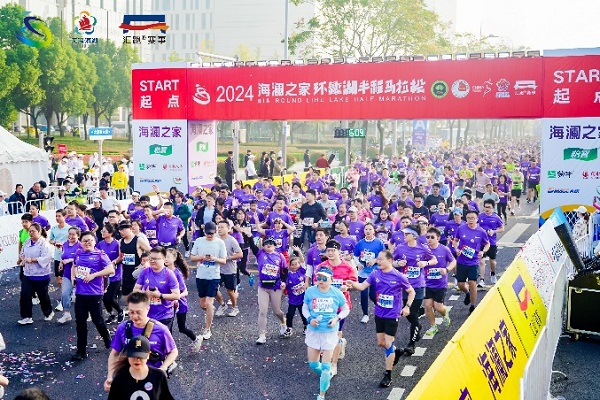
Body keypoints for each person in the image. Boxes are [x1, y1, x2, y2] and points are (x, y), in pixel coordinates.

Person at [346, 250, 415, 388]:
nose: (378, 261)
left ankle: (388, 374)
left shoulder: (399, 276)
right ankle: (397, 352)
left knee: (388, 343)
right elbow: (362, 286)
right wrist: (351, 284)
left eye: (381, 259)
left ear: (389, 261)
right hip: (379, 313)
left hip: (392, 315)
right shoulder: (375, 273)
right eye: (378, 259)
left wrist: (407, 307)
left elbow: (411, 291)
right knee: (380, 343)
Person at [105, 292, 178, 393]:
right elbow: (114, 353)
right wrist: (110, 376)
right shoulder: (123, 328)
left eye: (138, 312)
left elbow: (173, 352)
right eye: (131, 312)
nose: (134, 316)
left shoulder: (161, 329)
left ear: (148, 309)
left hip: (152, 379)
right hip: (129, 377)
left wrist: (163, 368)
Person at [302, 266, 349, 400]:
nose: (320, 280)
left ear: (331, 279)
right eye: (318, 278)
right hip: (314, 332)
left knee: (326, 365)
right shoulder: (310, 291)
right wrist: (309, 319)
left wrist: (337, 318)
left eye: (324, 278)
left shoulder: (336, 293)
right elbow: (305, 308)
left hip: (329, 332)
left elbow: (345, 309)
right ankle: (326, 376)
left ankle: (321, 393)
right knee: (313, 364)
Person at [392, 224, 437, 355]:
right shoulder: (400, 248)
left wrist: (425, 263)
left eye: (407, 234)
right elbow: (391, 262)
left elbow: (433, 260)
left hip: (418, 285)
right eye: (404, 234)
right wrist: (397, 264)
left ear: (414, 236)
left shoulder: (423, 248)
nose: (404, 236)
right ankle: (417, 325)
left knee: (412, 312)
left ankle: (411, 344)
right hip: (404, 285)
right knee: (408, 314)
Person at [70, 231, 115, 361]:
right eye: (85, 241)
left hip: (95, 294)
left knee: (97, 320)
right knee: (80, 322)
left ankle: (106, 337)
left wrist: (94, 275)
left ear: (94, 242)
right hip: (80, 293)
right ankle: (81, 350)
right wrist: (73, 277)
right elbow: (74, 266)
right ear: (81, 242)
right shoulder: (78, 253)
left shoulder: (100, 254)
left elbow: (111, 269)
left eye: (90, 240)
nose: (87, 243)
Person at [316, 239, 358, 377]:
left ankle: (333, 364)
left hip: (341, 306)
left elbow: (354, 282)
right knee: (326, 333)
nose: (331, 253)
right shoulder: (322, 266)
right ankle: (338, 346)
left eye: (333, 250)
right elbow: (316, 283)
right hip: (325, 306)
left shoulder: (347, 266)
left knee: (336, 333)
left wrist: (348, 286)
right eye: (328, 250)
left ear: (339, 252)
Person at [189, 221, 227, 341]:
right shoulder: (199, 241)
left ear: (215, 232)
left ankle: (207, 329)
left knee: (209, 303)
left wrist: (214, 258)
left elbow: (224, 260)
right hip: (201, 275)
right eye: (207, 233)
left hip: (214, 276)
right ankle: (209, 313)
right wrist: (202, 257)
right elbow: (192, 257)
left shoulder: (220, 243)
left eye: (211, 233)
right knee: (203, 304)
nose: (209, 235)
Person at [107, 335, 175, 400]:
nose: (137, 360)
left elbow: (165, 397)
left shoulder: (158, 376)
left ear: (148, 355)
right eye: (133, 356)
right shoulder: (119, 379)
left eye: (140, 356)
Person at [248, 236, 288, 344]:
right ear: (263, 245)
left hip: (276, 287)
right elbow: (252, 246)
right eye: (266, 243)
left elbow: (285, 270)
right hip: (263, 287)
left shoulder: (280, 256)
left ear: (275, 245)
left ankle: (283, 321)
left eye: (271, 243)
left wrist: (284, 282)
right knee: (262, 311)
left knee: (276, 311)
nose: (268, 244)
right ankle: (262, 335)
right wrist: (249, 236)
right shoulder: (260, 254)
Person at [165, 248, 203, 351]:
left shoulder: (177, 273)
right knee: (168, 328)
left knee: (182, 328)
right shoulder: (163, 271)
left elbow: (184, 291)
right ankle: (169, 350)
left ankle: (196, 339)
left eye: (168, 257)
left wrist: (176, 297)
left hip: (180, 304)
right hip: (168, 304)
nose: (166, 259)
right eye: (164, 257)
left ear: (174, 258)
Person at [453, 209, 490, 314]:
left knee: (472, 282)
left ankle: (473, 306)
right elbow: (455, 241)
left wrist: (483, 251)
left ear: (477, 219)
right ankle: (468, 293)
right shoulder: (461, 229)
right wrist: (456, 249)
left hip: (473, 262)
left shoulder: (481, 232)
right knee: (460, 284)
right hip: (461, 261)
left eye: (473, 218)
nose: (470, 220)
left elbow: (487, 244)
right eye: (468, 218)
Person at [134, 247, 180, 330]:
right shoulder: (145, 272)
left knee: (162, 341)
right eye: (151, 258)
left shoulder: (169, 274)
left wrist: (160, 295)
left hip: (164, 316)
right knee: (147, 340)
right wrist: (145, 294)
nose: (152, 261)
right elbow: (135, 290)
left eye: (155, 259)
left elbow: (176, 295)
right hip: (147, 315)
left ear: (163, 259)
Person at [18, 223, 54, 325]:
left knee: (42, 295)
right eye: (30, 231)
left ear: (39, 232)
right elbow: (22, 253)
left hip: (41, 274)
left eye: (33, 231)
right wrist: (23, 260)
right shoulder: (27, 242)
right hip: (28, 273)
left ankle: (48, 312)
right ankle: (26, 316)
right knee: (25, 295)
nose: (31, 233)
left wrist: (33, 260)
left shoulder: (43, 244)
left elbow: (47, 258)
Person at [423, 228, 455, 338]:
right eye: (428, 237)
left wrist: (446, 270)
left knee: (438, 306)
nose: (430, 239)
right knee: (427, 305)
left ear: (438, 238)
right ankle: (433, 326)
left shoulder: (444, 249)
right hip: (427, 283)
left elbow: (453, 261)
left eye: (432, 237)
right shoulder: (424, 250)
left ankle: (445, 312)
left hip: (440, 284)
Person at [353, 223, 385, 323]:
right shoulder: (360, 243)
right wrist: (358, 263)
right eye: (366, 229)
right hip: (363, 272)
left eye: (370, 229)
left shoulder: (379, 243)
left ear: (374, 231)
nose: (368, 231)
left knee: (372, 294)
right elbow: (355, 255)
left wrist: (375, 260)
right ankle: (365, 314)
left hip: (374, 272)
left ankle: (380, 308)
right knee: (363, 294)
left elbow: (383, 256)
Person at [213, 220, 243, 317]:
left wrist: (227, 258)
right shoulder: (215, 238)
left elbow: (240, 254)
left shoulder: (231, 240)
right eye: (219, 227)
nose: (220, 229)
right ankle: (222, 305)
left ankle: (235, 307)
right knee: (213, 288)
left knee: (230, 291)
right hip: (217, 269)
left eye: (222, 227)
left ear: (228, 229)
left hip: (229, 269)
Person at [97, 223, 124, 324]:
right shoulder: (100, 244)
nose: (102, 233)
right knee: (104, 297)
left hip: (115, 275)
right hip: (104, 275)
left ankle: (120, 312)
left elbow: (121, 256)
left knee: (110, 297)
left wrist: (113, 262)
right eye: (102, 231)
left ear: (111, 233)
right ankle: (111, 314)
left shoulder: (117, 244)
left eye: (104, 231)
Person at [119, 220, 152, 298]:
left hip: (137, 271)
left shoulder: (138, 240)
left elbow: (151, 251)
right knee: (126, 294)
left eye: (124, 229)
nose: (121, 232)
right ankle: (129, 309)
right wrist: (113, 263)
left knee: (137, 295)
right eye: (120, 230)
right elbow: (121, 256)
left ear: (130, 228)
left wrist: (147, 262)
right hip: (126, 271)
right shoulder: (120, 241)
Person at [56, 226, 82, 324]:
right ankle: (66, 314)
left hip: (79, 274)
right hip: (67, 273)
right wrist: (61, 263)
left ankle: (86, 313)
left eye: (73, 234)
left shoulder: (81, 246)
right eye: (69, 234)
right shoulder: (65, 244)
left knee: (81, 296)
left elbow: (83, 258)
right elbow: (63, 256)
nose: (70, 236)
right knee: (65, 293)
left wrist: (71, 260)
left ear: (78, 236)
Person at [48, 209, 70, 312]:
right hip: (57, 256)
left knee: (68, 278)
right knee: (59, 279)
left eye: (59, 216)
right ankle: (66, 294)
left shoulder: (69, 229)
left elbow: (73, 240)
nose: (57, 218)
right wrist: (54, 242)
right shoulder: (54, 228)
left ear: (65, 217)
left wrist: (64, 244)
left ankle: (63, 300)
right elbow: (50, 239)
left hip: (68, 257)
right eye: (56, 216)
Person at [478, 199, 505, 286]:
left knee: (492, 261)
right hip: (481, 242)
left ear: (493, 208)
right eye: (485, 207)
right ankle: (482, 280)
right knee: (481, 261)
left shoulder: (496, 217)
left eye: (489, 207)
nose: (487, 209)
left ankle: (493, 273)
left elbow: (502, 228)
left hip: (492, 242)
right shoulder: (480, 216)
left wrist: (494, 231)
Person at [284, 249, 308, 337]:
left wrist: (299, 252)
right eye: (292, 264)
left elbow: (302, 261)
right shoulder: (288, 275)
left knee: (304, 314)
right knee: (289, 315)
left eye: (296, 264)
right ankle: (289, 328)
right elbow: (284, 285)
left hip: (303, 300)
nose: (294, 266)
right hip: (292, 301)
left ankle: (306, 326)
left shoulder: (301, 271)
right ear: (289, 266)